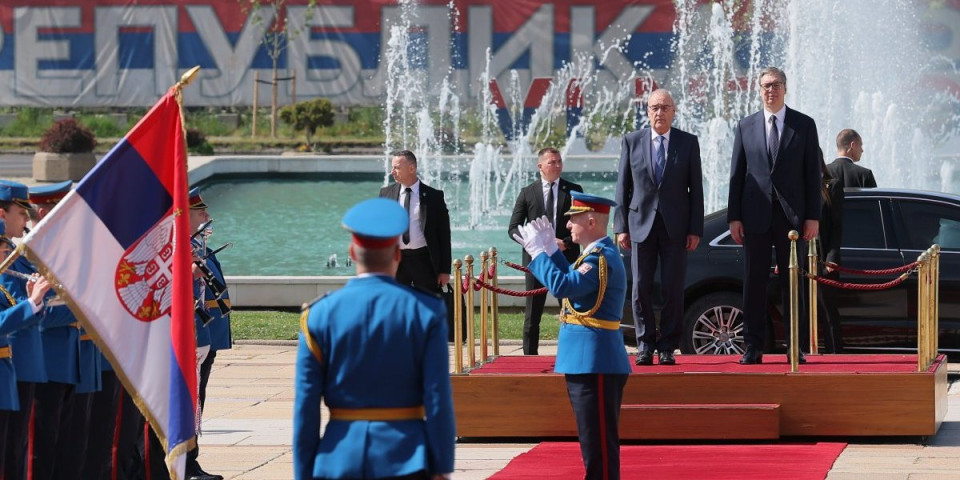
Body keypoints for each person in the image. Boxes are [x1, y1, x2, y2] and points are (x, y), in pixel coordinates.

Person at [293, 197, 455, 480]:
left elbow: (305, 407)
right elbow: (438, 396)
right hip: (407, 457)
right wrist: (441, 466)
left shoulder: (317, 315)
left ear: (352, 252)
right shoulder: (426, 311)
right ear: (397, 255)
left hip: (338, 458)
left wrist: (304, 473)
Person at [513, 192, 631, 480]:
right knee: (592, 440)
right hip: (586, 361)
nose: (568, 226)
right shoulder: (593, 256)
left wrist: (538, 254)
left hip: (595, 362)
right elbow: (572, 279)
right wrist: (551, 252)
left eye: (573, 220)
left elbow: (564, 286)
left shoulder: (601, 258)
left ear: (591, 221)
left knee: (598, 443)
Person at [727, 67, 822, 365]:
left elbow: (812, 175)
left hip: (791, 218)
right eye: (766, 85)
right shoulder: (746, 126)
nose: (771, 90)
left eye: (776, 85)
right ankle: (752, 346)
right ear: (759, 90)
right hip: (754, 216)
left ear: (785, 88)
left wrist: (812, 217)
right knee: (753, 282)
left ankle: (795, 346)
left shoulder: (804, 125)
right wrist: (734, 217)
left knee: (792, 282)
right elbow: (736, 175)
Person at [614, 89, 704, 366]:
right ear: (647, 111)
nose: (659, 113)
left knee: (673, 289)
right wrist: (620, 227)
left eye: (664, 107)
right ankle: (645, 345)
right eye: (654, 107)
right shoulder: (632, 142)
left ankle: (667, 346)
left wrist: (695, 229)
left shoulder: (687, 143)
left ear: (673, 111)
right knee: (640, 288)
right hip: (640, 225)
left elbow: (696, 191)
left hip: (675, 228)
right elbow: (623, 187)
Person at [507, 147, 583, 355]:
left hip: (565, 259)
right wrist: (533, 244)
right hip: (537, 262)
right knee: (533, 315)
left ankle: (573, 353)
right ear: (540, 166)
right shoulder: (527, 192)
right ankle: (529, 358)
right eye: (552, 162)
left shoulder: (574, 190)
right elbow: (513, 228)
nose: (557, 165)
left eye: (559, 161)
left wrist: (565, 243)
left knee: (570, 310)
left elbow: (582, 224)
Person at [1, 180, 51, 480]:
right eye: (21, 212)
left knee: (16, 451)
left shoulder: (15, 259)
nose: (26, 219)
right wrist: (33, 302)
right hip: (15, 364)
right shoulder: (9, 263)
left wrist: (36, 301)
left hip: (16, 367)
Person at [186, 187, 231, 480]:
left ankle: (192, 462)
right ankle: (187, 464)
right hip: (192, 336)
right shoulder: (181, 250)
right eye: (201, 212)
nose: (207, 217)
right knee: (190, 403)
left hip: (206, 336)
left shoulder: (196, 247)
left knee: (197, 402)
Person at [379, 150, 451, 293]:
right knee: (397, 306)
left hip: (424, 260)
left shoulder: (434, 196)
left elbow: (443, 235)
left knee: (427, 306)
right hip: (396, 261)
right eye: (392, 167)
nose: (392, 171)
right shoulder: (385, 194)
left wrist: (444, 270)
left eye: (397, 167)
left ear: (412, 168)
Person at [817, 149, 845, 353]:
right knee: (802, 313)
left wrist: (831, 258)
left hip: (824, 258)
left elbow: (836, 226)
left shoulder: (831, 185)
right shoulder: (795, 187)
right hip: (800, 260)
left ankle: (835, 357)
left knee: (828, 314)